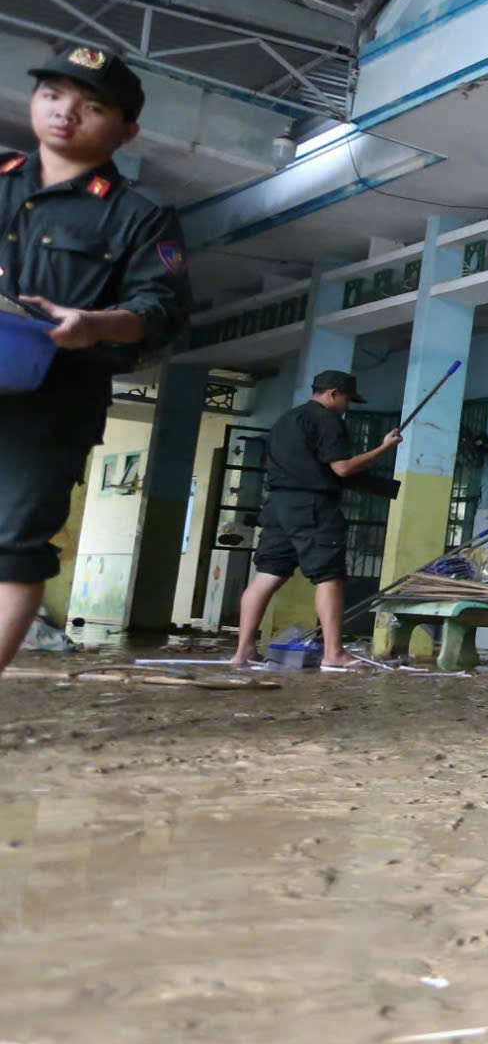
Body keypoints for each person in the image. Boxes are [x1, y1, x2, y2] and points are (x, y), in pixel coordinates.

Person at [0, 46, 191, 675]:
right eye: (53, 94)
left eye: (93, 105)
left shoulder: (138, 214)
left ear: (127, 129)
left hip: (51, 401)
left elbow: (160, 310)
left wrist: (92, 325)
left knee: (15, 546)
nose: (66, 112)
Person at [232, 369, 402, 668]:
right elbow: (342, 469)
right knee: (330, 577)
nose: (347, 406)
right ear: (333, 393)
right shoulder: (327, 420)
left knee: (266, 576)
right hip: (312, 507)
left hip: (277, 507)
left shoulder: (286, 421)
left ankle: (243, 651)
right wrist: (384, 448)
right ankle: (334, 654)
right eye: (347, 399)